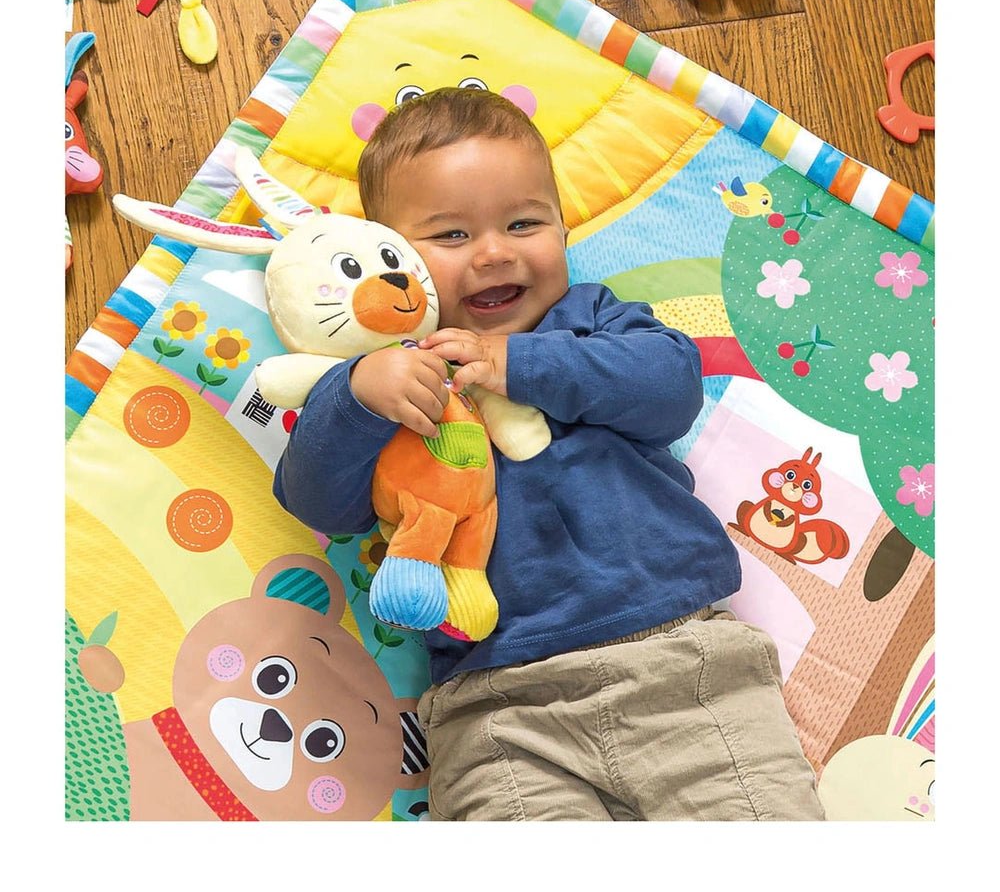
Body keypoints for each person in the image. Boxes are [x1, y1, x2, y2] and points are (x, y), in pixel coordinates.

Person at [273, 86, 825, 821]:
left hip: (681, 669)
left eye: (524, 222)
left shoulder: (591, 319)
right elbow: (316, 503)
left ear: (563, 230)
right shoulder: (393, 376)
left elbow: (672, 387)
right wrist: (357, 394)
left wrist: (520, 364)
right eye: (452, 236)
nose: (496, 251)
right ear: (393, 257)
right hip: (497, 713)